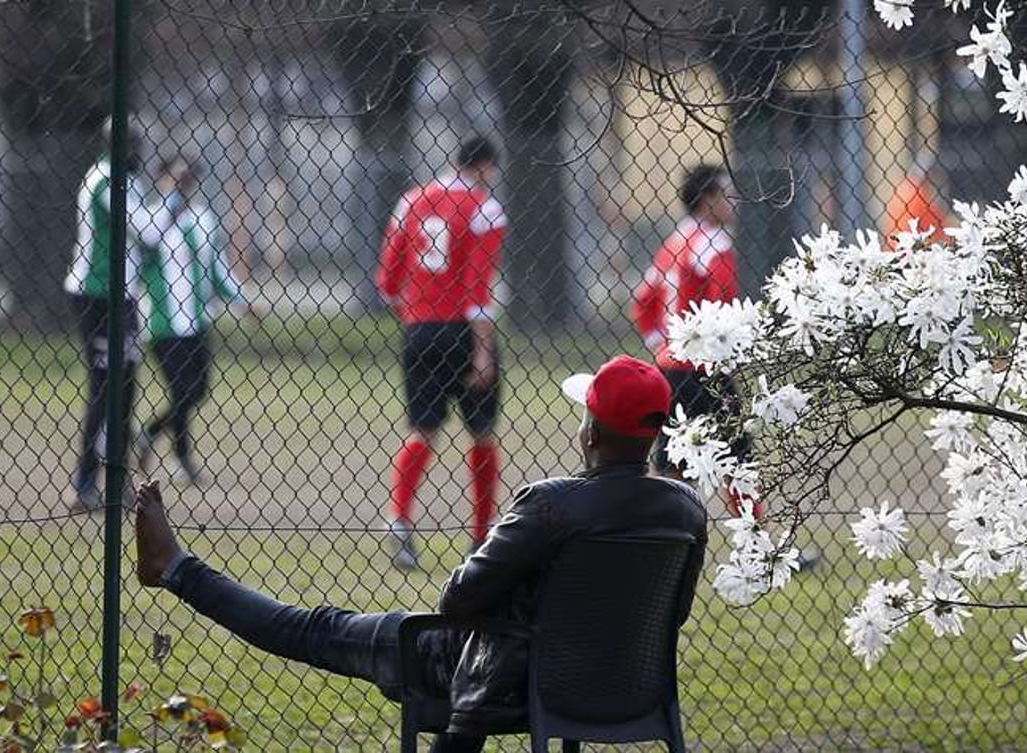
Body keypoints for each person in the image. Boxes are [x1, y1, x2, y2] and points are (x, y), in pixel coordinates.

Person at [134, 354, 706, 753]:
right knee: (485, 643)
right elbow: (670, 615)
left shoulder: (551, 505)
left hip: (502, 679)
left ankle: (176, 569)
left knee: (312, 627)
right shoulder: (685, 509)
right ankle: (176, 568)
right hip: (618, 684)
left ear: (591, 434)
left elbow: (456, 599)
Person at [375, 136, 508, 569]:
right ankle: (482, 534)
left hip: (418, 328)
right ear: (486, 166)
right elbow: (477, 287)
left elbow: (388, 281)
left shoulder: (411, 200)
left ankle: (399, 518)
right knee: (482, 432)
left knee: (422, 430)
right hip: (464, 331)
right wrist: (483, 348)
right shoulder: (484, 208)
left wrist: (414, 314)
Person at [63, 118, 175, 512]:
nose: (138, 152)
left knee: (124, 387)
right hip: (98, 295)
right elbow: (148, 230)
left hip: (120, 297)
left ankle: (114, 481)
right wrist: (170, 195)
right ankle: (84, 481)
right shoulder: (108, 180)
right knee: (106, 387)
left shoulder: (118, 179)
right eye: (133, 144)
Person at [632, 164, 751, 515]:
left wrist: (659, 345)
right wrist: (729, 346)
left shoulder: (675, 241)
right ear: (707, 199)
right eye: (727, 194)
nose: (735, 202)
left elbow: (642, 301)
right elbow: (724, 298)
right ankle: (757, 543)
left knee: (671, 461)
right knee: (738, 456)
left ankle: (657, 536)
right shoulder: (714, 241)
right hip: (705, 365)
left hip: (671, 366)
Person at [134, 156, 256, 485]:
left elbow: (218, 269)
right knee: (181, 389)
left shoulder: (203, 219)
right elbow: (137, 265)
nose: (184, 184)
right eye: (178, 178)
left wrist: (242, 300)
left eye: (189, 179)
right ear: (161, 180)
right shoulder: (151, 220)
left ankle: (149, 433)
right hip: (162, 322)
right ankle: (183, 458)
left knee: (197, 389)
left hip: (198, 321)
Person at [885, 153, 948, 247]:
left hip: (894, 249)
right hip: (910, 250)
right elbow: (938, 228)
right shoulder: (919, 196)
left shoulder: (903, 188)